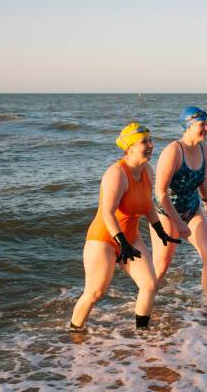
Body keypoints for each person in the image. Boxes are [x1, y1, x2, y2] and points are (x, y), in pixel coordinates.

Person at [69, 122, 180, 333]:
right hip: (104, 240)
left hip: (130, 237)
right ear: (129, 148)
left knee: (149, 284)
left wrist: (160, 231)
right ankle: (74, 333)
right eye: (144, 142)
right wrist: (122, 243)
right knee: (95, 292)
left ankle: (142, 334)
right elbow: (107, 213)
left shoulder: (147, 170)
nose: (150, 145)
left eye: (150, 140)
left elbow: (147, 207)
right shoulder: (116, 174)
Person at [151, 107, 207, 304]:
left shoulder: (204, 150)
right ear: (188, 126)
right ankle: (146, 305)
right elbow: (160, 193)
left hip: (192, 209)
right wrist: (177, 223)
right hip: (166, 213)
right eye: (202, 125)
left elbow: (203, 178)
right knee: (161, 266)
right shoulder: (173, 151)